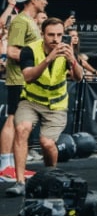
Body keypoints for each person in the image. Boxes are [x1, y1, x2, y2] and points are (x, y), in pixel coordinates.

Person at [7, 17, 84, 196]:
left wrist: (73, 60)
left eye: (59, 35)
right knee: (22, 129)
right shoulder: (29, 50)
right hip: (31, 100)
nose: (55, 39)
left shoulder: (67, 50)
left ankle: (51, 176)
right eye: (51, 35)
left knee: (47, 143)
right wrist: (48, 59)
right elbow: (28, 77)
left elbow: (79, 77)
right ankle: (20, 182)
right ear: (43, 35)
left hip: (56, 105)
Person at [1, 0, 47, 182]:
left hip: (28, 79)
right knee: (12, 120)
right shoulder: (21, 21)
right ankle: (4, 166)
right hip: (18, 78)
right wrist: (37, 61)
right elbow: (11, 51)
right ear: (33, 0)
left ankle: (12, 165)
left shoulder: (30, 22)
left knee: (21, 123)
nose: (46, 2)